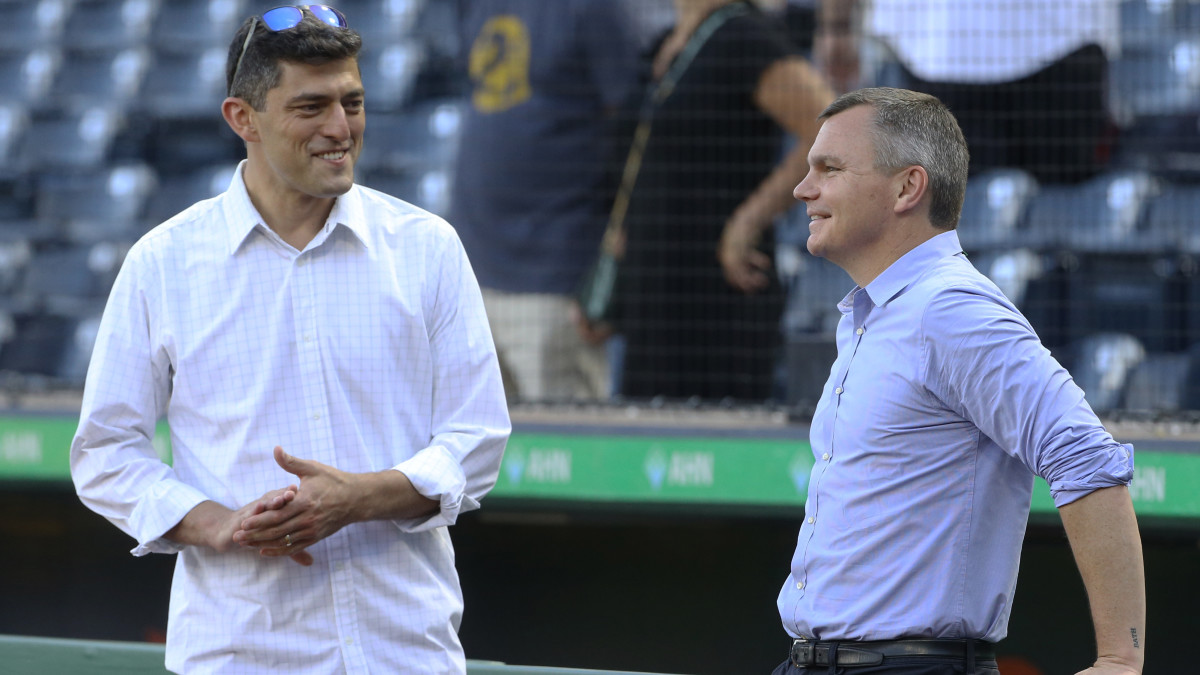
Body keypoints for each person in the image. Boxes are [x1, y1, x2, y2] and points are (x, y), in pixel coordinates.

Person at [69, 6, 510, 674]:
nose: (340, 128)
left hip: (403, 651)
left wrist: (358, 498)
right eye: (311, 107)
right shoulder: (162, 263)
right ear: (242, 118)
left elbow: (477, 439)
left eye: (352, 102)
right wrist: (214, 522)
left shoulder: (428, 248)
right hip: (238, 654)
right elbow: (105, 451)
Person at [772, 87, 1145, 674]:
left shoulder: (950, 308)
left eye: (830, 169)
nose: (802, 188)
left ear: (907, 188)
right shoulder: (877, 313)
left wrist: (1120, 660)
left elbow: (1083, 455)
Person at [606, 0, 834, 402]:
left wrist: (750, 219)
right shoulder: (664, 42)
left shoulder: (744, 36)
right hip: (654, 288)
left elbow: (827, 126)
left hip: (718, 291)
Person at [449, 0, 642, 401]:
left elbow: (634, 134)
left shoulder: (593, 9)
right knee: (478, 435)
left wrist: (610, 264)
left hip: (554, 277)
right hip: (471, 274)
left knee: (567, 436)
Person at [814, 0, 1116, 184]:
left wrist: (837, 25)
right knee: (952, 225)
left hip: (1061, 43)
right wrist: (836, 25)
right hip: (935, 46)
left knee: (1069, 214)